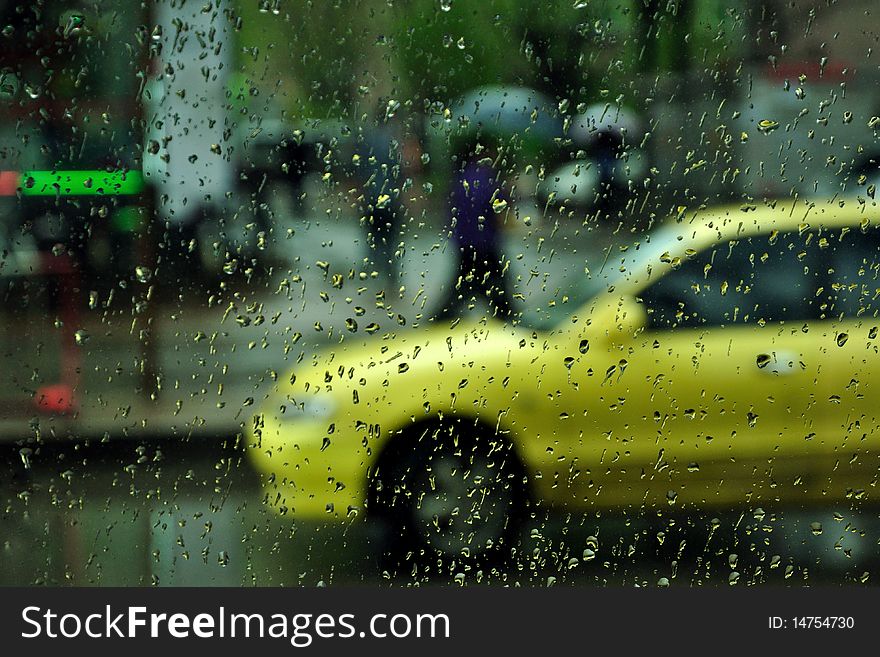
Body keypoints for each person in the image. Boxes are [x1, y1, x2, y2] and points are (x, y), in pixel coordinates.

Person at [434, 140, 515, 321]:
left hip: (464, 244)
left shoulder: (460, 177)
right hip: (485, 245)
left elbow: (449, 212)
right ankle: (511, 325)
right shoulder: (489, 178)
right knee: (498, 291)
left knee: (462, 288)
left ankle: (439, 322)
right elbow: (501, 212)